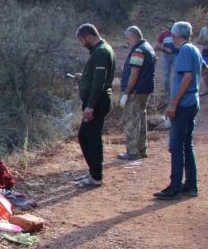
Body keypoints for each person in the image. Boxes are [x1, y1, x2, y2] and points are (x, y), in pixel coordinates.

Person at [153, 21, 200, 199]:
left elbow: (187, 77)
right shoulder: (193, 49)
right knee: (187, 145)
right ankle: (190, 186)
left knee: (176, 146)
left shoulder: (185, 51)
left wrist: (173, 103)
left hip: (184, 104)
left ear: (174, 36)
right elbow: (203, 68)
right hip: (192, 101)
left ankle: (175, 186)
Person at [73, 23, 115, 188]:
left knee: (91, 138)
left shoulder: (101, 52)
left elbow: (99, 81)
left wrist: (90, 106)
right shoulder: (101, 50)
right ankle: (93, 172)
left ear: (89, 37)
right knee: (85, 136)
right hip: (96, 100)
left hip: (97, 102)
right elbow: (96, 76)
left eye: (82, 40)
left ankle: (96, 177)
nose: (82, 43)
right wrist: (83, 77)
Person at [117, 26, 156, 160]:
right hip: (145, 90)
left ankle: (133, 152)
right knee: (141, 118)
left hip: (136, 91)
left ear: (133, 36)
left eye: (127, 38)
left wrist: (126, 93)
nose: (127, 41)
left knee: (131, 120)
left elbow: (134, 73)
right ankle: (141, 149)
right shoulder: (148, 47)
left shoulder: (138, 50)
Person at [156, 24, 177, 96]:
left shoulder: (177, 33)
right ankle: (167, 90)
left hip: (175, 55)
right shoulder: (163, 34)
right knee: (166, 74)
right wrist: (165, 49)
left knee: (175, 72)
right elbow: (158, 44)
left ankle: (174, 90)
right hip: (166, 55)